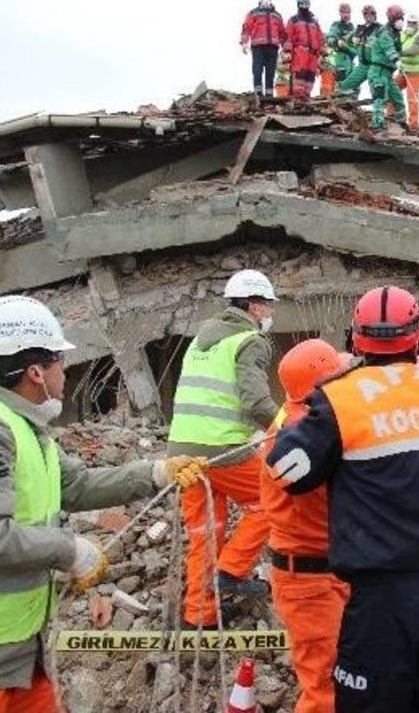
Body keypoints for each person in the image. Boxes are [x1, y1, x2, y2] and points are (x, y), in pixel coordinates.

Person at [0, 296, 203, 711]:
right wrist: (70, 551)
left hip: (18, 649)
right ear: (35, 372)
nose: (66, 370)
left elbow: (75, 485)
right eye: (60, 360)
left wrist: (156, 473)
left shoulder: (23, 423)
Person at [267, 286, 419, 713]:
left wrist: (305, 416)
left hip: (384, 592)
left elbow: (289, 471)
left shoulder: (342, 399)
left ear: (355, 339)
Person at [168, 269, 278, 628]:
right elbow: (257, 404)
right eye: (267, 305)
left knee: (206, 532)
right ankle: (231, 570)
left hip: (182, 452)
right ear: (254, 306)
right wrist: (287, 430)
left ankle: (199, 615)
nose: (269, 313)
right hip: (222, 446)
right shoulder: (250, 340)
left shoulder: (202, 338)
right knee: (271, 499)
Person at [260, 339, 354, 713]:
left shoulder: (293, 419)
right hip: (311, 579)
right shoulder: (307, 437)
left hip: (319, 571)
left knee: (338, 678)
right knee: (324, 689)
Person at [365, 5, 407, 135]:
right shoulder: (385, 33)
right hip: (378, 71)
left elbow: (398, 50)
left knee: (398, 98)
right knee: (380, 97)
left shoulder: (396, 34)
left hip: (388, 73)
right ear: (392, 19)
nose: (401, 21)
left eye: (402, 18)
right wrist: (397, 60)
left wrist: (399, 59)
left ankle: (401, 123)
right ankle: (378, 124)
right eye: (398, 18)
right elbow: (389, 49)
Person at [240, 0, 287, 97]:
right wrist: (244, 42)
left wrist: (285, 49)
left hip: (273, 46)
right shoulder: (253, 13)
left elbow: (282, 33)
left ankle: (269, 93)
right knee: (257, 69)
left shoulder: (277, 15)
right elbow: (246, 28)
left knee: (271, 71)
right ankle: (258, 91)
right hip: (258, 46)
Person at [283, 0, 325, 100]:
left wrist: (322, 54)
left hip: (313, 54)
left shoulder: (314, 22)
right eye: (302, 3)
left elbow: (320, 38)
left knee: (310, 77)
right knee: (299, 75)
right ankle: (296, 98)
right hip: (300, 52)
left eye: (306, 3)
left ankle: (306, 98)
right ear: (298, 4)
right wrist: (287, 51)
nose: (304, 6)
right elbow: (288, 36)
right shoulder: (294, 20)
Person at [337, 5, 380, 99]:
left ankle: (379, 112)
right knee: (344, 87)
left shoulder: (381, 29)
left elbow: (386, 45)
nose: (368, 16)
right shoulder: (359, 29)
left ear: (375, 14)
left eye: (371, 13)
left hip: (375, 66)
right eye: (366, 14)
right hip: (362, 65)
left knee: (377, 92)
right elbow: (345, 39)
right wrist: (342, 41)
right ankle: (343, 106)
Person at [399, 13, 419, 132]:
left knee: (412, 99)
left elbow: (414, 50)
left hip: (415, 72)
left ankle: (413, 125)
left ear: (417, 25)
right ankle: (392, 117)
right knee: (391, 89)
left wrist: (399, 52)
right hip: (403, 70)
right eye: (409, 23)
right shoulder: (402, 35)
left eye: (413, 23)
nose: (411, 25)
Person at [321, 3, 355, 97]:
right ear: (340, 13)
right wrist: (337, 42)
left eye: (347, 12)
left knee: (352, 86)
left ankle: (350, 105)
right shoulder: (336, 26)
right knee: (339, 85)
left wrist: (349, 48)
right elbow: (330, 39)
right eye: (343, 12)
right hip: (339, 59)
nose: (345, 15)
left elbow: (356, 47)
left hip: (350, 61)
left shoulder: (353, 28)